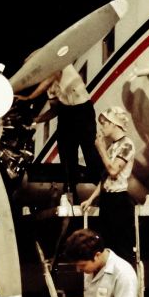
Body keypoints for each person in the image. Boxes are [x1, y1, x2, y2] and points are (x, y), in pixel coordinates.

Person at [15, 63, 103, 203]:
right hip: (66, 113)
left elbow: (53, 75)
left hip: (82, 110)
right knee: (67, 160)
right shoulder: (49, 85)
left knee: (91, 156)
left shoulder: (57, 66)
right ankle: (71, 196)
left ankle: (107, 194)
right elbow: (55, 109)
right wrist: (35, 120)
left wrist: (29, 97)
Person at [80, 106, 137, 267]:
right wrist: (91, 198)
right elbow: (105, 179)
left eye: (105, 123)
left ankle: (127, 285)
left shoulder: (127, 145)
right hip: (107, 200)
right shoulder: (113, 147)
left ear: (114, 124)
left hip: (119, 200)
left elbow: (113, 170)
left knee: (122, 248)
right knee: (107, 246)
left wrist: (101, 149)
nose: (102, 127)